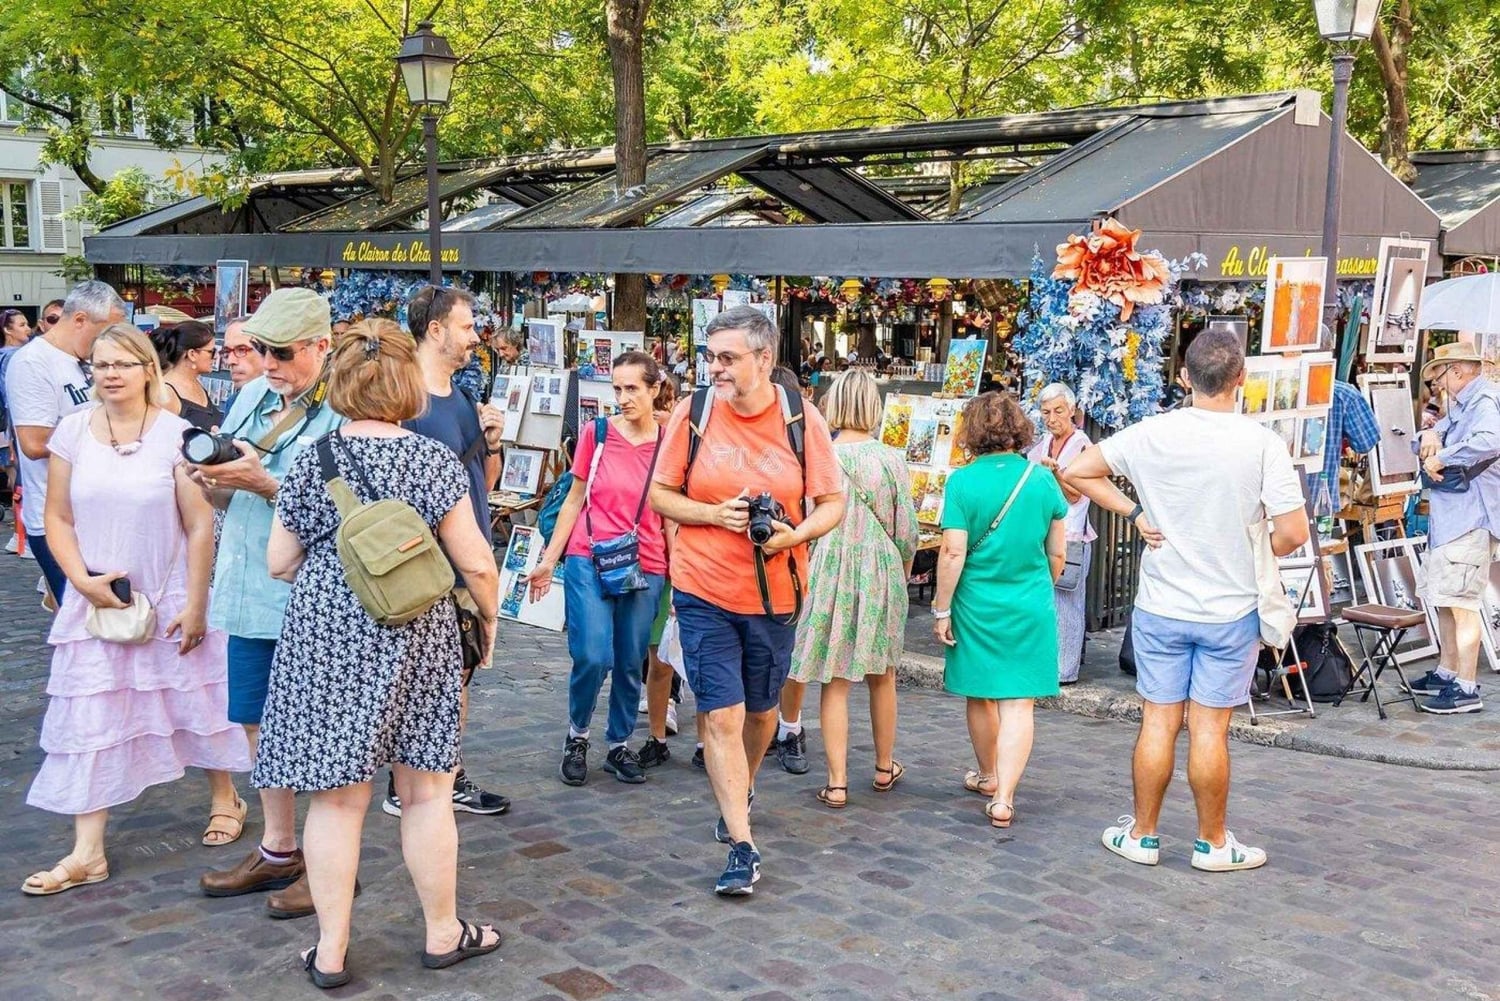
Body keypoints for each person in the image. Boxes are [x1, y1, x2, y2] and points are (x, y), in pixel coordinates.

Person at [256, 321, 501, 987]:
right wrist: (489, 618)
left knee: (335, 801)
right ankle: (443, 931)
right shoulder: (432, 461)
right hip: (417, 631)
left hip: (328, 633)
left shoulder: (315, 457)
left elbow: (279, 560)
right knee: (426, 792)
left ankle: (331, 949)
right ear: (408, 385)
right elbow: (477, 563)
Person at [1066, 326, 1306, 873]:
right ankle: (1212, 842)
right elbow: (1293, 532)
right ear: (1240, 378)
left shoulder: (1152, 433)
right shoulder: (1262, 443)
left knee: (1157, 721)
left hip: (1162, 603)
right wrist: (1254, 551)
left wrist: (1134, 513)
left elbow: (1076, 469)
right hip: (1231, 608)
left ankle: (1145, 835)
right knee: (1210, 728)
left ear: (1184, 377)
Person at [21, 325, 250, 896]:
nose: (112, 374)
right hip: (100, 600)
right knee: (90, 720)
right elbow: (58, 518)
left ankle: (226, 796)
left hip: (170, 596)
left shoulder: (176, 435)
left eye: (124, 363)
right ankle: (86, 851)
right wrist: (81, 580)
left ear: (148, 368)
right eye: (101, 365)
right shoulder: (72, 431)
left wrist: (197, 604)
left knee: (196, 700)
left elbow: (200, 526)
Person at [649, 305, 844, 896]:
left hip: (775, 592)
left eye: (728, 358)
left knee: (761, 713)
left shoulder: (799, 419)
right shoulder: (695, 412)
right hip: (703, 587)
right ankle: (742, 843)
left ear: (765, 359)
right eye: (712, 357)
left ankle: (742, 786)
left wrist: (795, 533)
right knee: (723, 715)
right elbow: (660, 494)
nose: (716, 370)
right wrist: (712, 514)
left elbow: (832, 504)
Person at [193, 288, 345, 917]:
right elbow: (222, 493)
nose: (268, 362)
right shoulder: (253, 395)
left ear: (321, 346)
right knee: (258, 721)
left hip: (314, 598)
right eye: (260, 349)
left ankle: (331, 863)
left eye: (281, 351)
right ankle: (280, 848)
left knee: (325, 731)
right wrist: (210, 478)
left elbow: (350, 510)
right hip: (249, 590)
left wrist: (265, 482)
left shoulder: (345, 408)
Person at [386, 284, 510, 816]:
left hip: (466, 555)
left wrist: (496, 442)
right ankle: (410, 782)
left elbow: (484, 480)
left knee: (455, 674)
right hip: (426, 568)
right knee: (425, 679)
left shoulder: (459, 397)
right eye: (465, 326)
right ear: (435, 330)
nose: (475, 336)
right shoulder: (402, 398)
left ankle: (445, 773)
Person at [530, 351, 669, 786]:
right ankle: (578, 734)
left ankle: (618, 744)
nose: (623, 397)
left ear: (654, 389)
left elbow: (674, 515)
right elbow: (574, 498)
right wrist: (548, 558)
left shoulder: (670, 444)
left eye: (632, 389)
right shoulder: (599, 433)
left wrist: (682, 570)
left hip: (646, 560)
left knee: (630, 659)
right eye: (618, 389)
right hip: (589, 555)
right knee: (592, 654)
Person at [933, 392, 1067, 829]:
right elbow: (1057, 555)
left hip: (976, 601)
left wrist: (941, 607)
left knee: (980, 691)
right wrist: (1032, 581)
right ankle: (1005, 797)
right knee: (1019, 704)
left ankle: (989, 774)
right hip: (1028, 601)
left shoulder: (962, 482)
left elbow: (953, 552)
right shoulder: (1042, 480)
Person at [789, 370, 918, 808]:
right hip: (879, 566)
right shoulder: (891, 459)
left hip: (829, 565)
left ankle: (838, 781)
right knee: (883, 675)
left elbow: (805, 518)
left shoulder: (819, 455)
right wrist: (900, 572)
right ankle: (884, 767)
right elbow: (907, 532)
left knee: (835, 677)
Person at [5, 281, 127, 600]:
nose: (108, 340)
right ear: (80, 320)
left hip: (92, 514)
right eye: (105, 330)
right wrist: (110, 435)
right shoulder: (33, 362)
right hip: (58, 520)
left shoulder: (82, 360)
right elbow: (33, 443)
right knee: (86, 622)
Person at [1408, 342, 1500, 714]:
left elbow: (1490, 440)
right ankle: (1447, 671)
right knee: (1446, 598)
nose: (1438, 385)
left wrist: (1442, 453)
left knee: (1462, 603)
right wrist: (1429, 437)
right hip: (1453, 519)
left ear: (1458, 371)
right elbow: (1426, 440)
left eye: (1440, 376)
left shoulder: (1484, 401)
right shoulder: (1463, 405)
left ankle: (1465, 686)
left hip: (1469, 517)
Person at [1026, 383, 1096, 684]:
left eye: (1058, 411)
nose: (1052, 418)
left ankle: (1064, 671)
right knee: (1042, 601)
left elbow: (1076, 496)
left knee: (1066, 604)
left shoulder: (1083, 445)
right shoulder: (1040, 445)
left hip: (1071, 536)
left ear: (1071, 410)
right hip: (1041, 535)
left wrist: (1054, 472)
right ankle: (1043, 663)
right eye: (1046, 413)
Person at [766, 364, 815, 775]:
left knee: (790, 653)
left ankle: (788, 728)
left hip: (795, 565)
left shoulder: (803, 440)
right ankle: (781, 727)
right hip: (754, 568)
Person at [637, 372, 685, 769]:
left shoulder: (681, 436)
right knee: (661, 657)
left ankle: (666, 733)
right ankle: (657, 734)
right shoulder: (647, 440)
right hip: (658, 560)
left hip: (688, 560)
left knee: (672, 659)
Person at [152, 320, 223, 431]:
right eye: (211, 352)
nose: (216, 357)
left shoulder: (196, 384)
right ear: (192, 354)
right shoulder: (165, 393)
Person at [220, 314, 264, 414]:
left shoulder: (291, 404)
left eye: (241, 350)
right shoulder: (234, 402)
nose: (230, 361)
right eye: (227, 351)